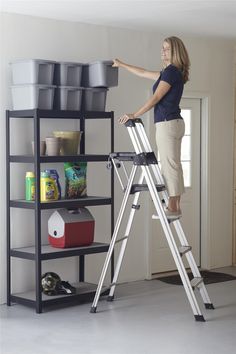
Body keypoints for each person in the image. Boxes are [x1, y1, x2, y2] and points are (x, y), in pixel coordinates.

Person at [113, 36, 190, 218]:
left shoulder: (171, 72)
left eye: (167, 49)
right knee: (174, 164)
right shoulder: (170, 72)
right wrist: (122, 64)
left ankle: (173, 206)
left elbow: (156, 98)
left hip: (167, 124)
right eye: (162, 48)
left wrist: (135, 114)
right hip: (174, 123)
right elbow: (143, 72)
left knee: (170, 165)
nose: (162, 51)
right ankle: (175, 204)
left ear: (175, 52)